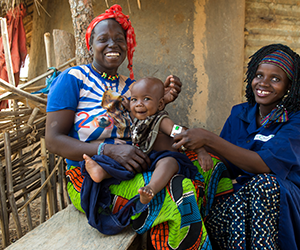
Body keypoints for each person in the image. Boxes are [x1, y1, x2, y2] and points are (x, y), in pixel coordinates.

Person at [46, 4, 233, 249]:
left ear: (128, 45)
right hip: (92, 177)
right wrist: (106, 150)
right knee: (180, 190)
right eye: (103, 39)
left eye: (119, 39)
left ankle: (219, 241)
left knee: (213, 169)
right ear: (90, 45)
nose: (112, 44)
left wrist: (162, 101)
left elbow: (151, 125)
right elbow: (53, 140)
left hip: (138, 165)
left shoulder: (132, 86)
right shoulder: (72, 79)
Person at [173, 43, 300, 250]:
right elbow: (226, 163)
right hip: (241, 202)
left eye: (275, 79)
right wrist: (197, 146)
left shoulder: (295, 122)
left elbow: (263, 166)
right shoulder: (239, 114)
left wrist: (208, 138)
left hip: (283, 205)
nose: (264, 83)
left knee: (264, 185)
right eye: (259, 75)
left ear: (290, 86)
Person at [82, 76, 213, 205]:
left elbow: (183, 134)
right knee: (123, 159)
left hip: (165, 156)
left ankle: (151, 188)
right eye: (134, 99)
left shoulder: (163, 121)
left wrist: (200, 150)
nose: (139, 104)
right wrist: (129, 107)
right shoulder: (140, 120)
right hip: (146, 158)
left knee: (169, 163)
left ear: (161, 104)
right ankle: (102, 171)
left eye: (146, 99)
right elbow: (135, 113)